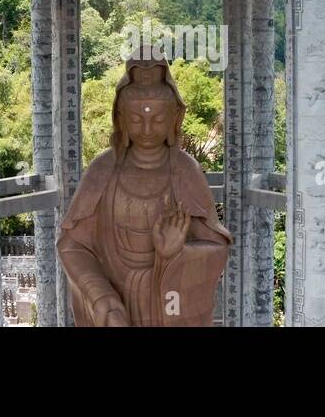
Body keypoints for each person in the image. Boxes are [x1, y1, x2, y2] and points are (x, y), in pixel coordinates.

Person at [57, 58, 231, 326]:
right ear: (121, 119)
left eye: (158, 119)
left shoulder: (185, 170)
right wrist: (102, 298)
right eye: (137, 119)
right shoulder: (103, 169)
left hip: (169, 307)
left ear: (176, 118)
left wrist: (174, 254)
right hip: (115, 302)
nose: (148, 130)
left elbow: (217, 248)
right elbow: (72, 245)